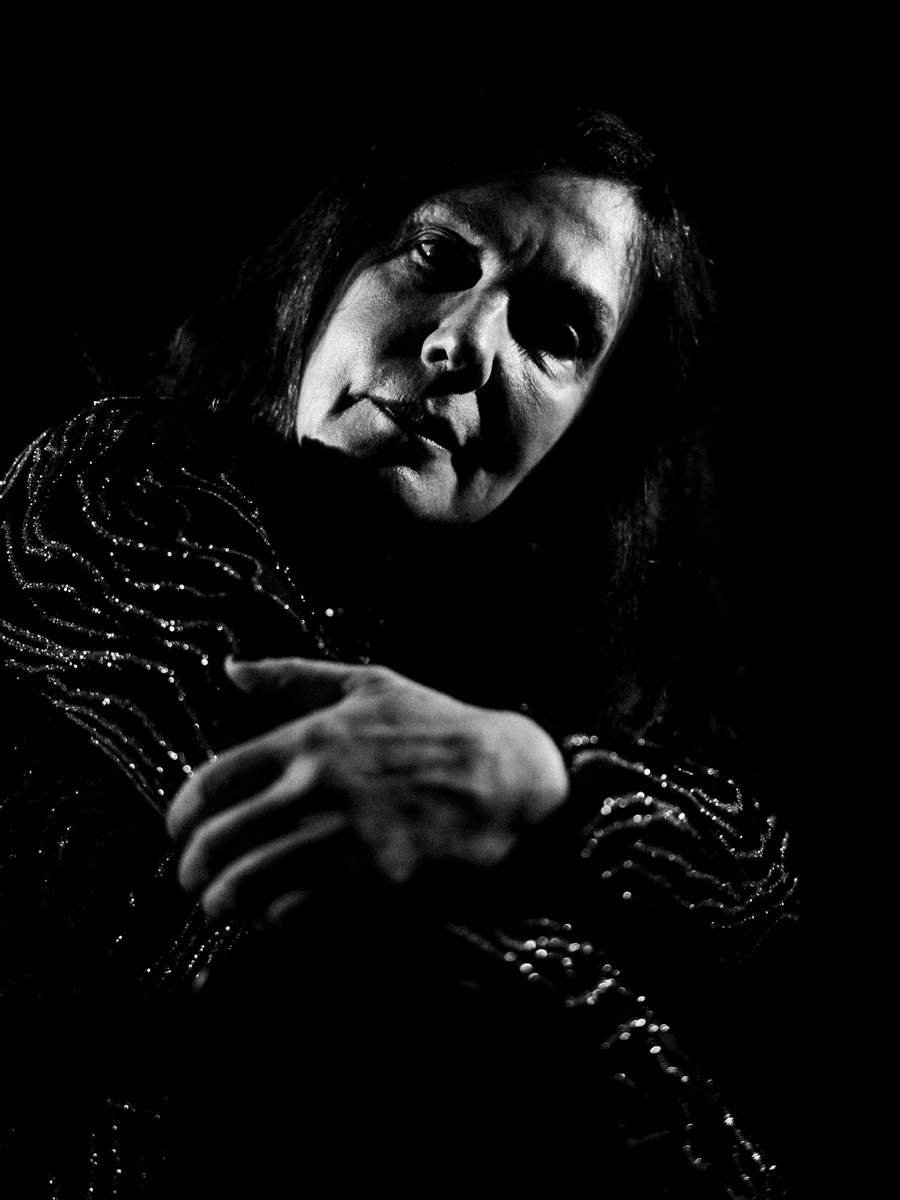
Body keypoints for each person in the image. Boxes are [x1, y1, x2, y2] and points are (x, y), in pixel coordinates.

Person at [1, 97, 797, 1196]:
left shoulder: (523, 690)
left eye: (555, 332)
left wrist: (539, 782)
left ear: (590, 433)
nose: (459, 343)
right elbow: (356, 866)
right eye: (437, 257)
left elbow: (765, 885)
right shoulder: (109, 488)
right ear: (331, 266)